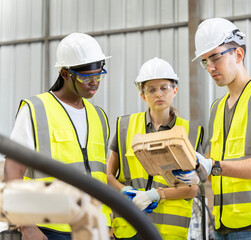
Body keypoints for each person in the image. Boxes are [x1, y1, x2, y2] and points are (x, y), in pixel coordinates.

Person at [176, 18, 251, 239]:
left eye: (215, 57)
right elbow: (217, 164)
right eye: (204, 61)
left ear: (238, 54)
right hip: (225, 224)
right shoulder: (218, 108)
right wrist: (196, 171)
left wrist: (211, 166)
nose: (210, 67)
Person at [3, 33, 111, 240]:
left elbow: (98, 176)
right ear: (64, 73)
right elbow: (12, 171)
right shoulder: (36, 109)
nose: (94, 82)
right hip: (50, 230)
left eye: (99, 75)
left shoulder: (99, 116)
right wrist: (27, 227)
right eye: (86, 77)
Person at [106, 57, 204, 240]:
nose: (158, 94)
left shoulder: (189, 132)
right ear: (143, 95)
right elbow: (109, 175)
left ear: (174, 90)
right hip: (129, 227)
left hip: (168, 232)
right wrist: (124, 191)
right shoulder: (125, 127)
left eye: (164, 88)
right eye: (151, 90)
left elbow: (192, 188)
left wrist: (154, 195)